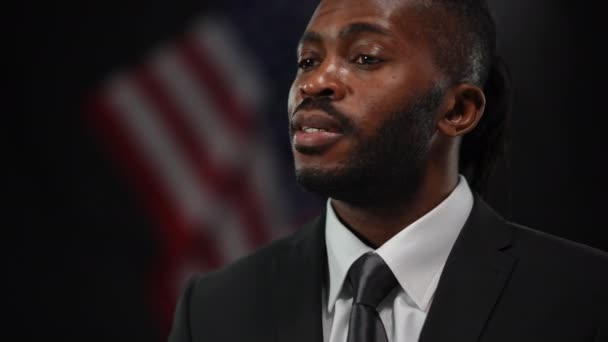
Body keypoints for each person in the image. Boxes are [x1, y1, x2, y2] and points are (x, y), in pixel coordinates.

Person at [168, 0, 608, 341]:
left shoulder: (585, 296)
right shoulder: (212, 309)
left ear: (456, 109)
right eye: (307, 60)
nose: (315, 82)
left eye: (366, 57)